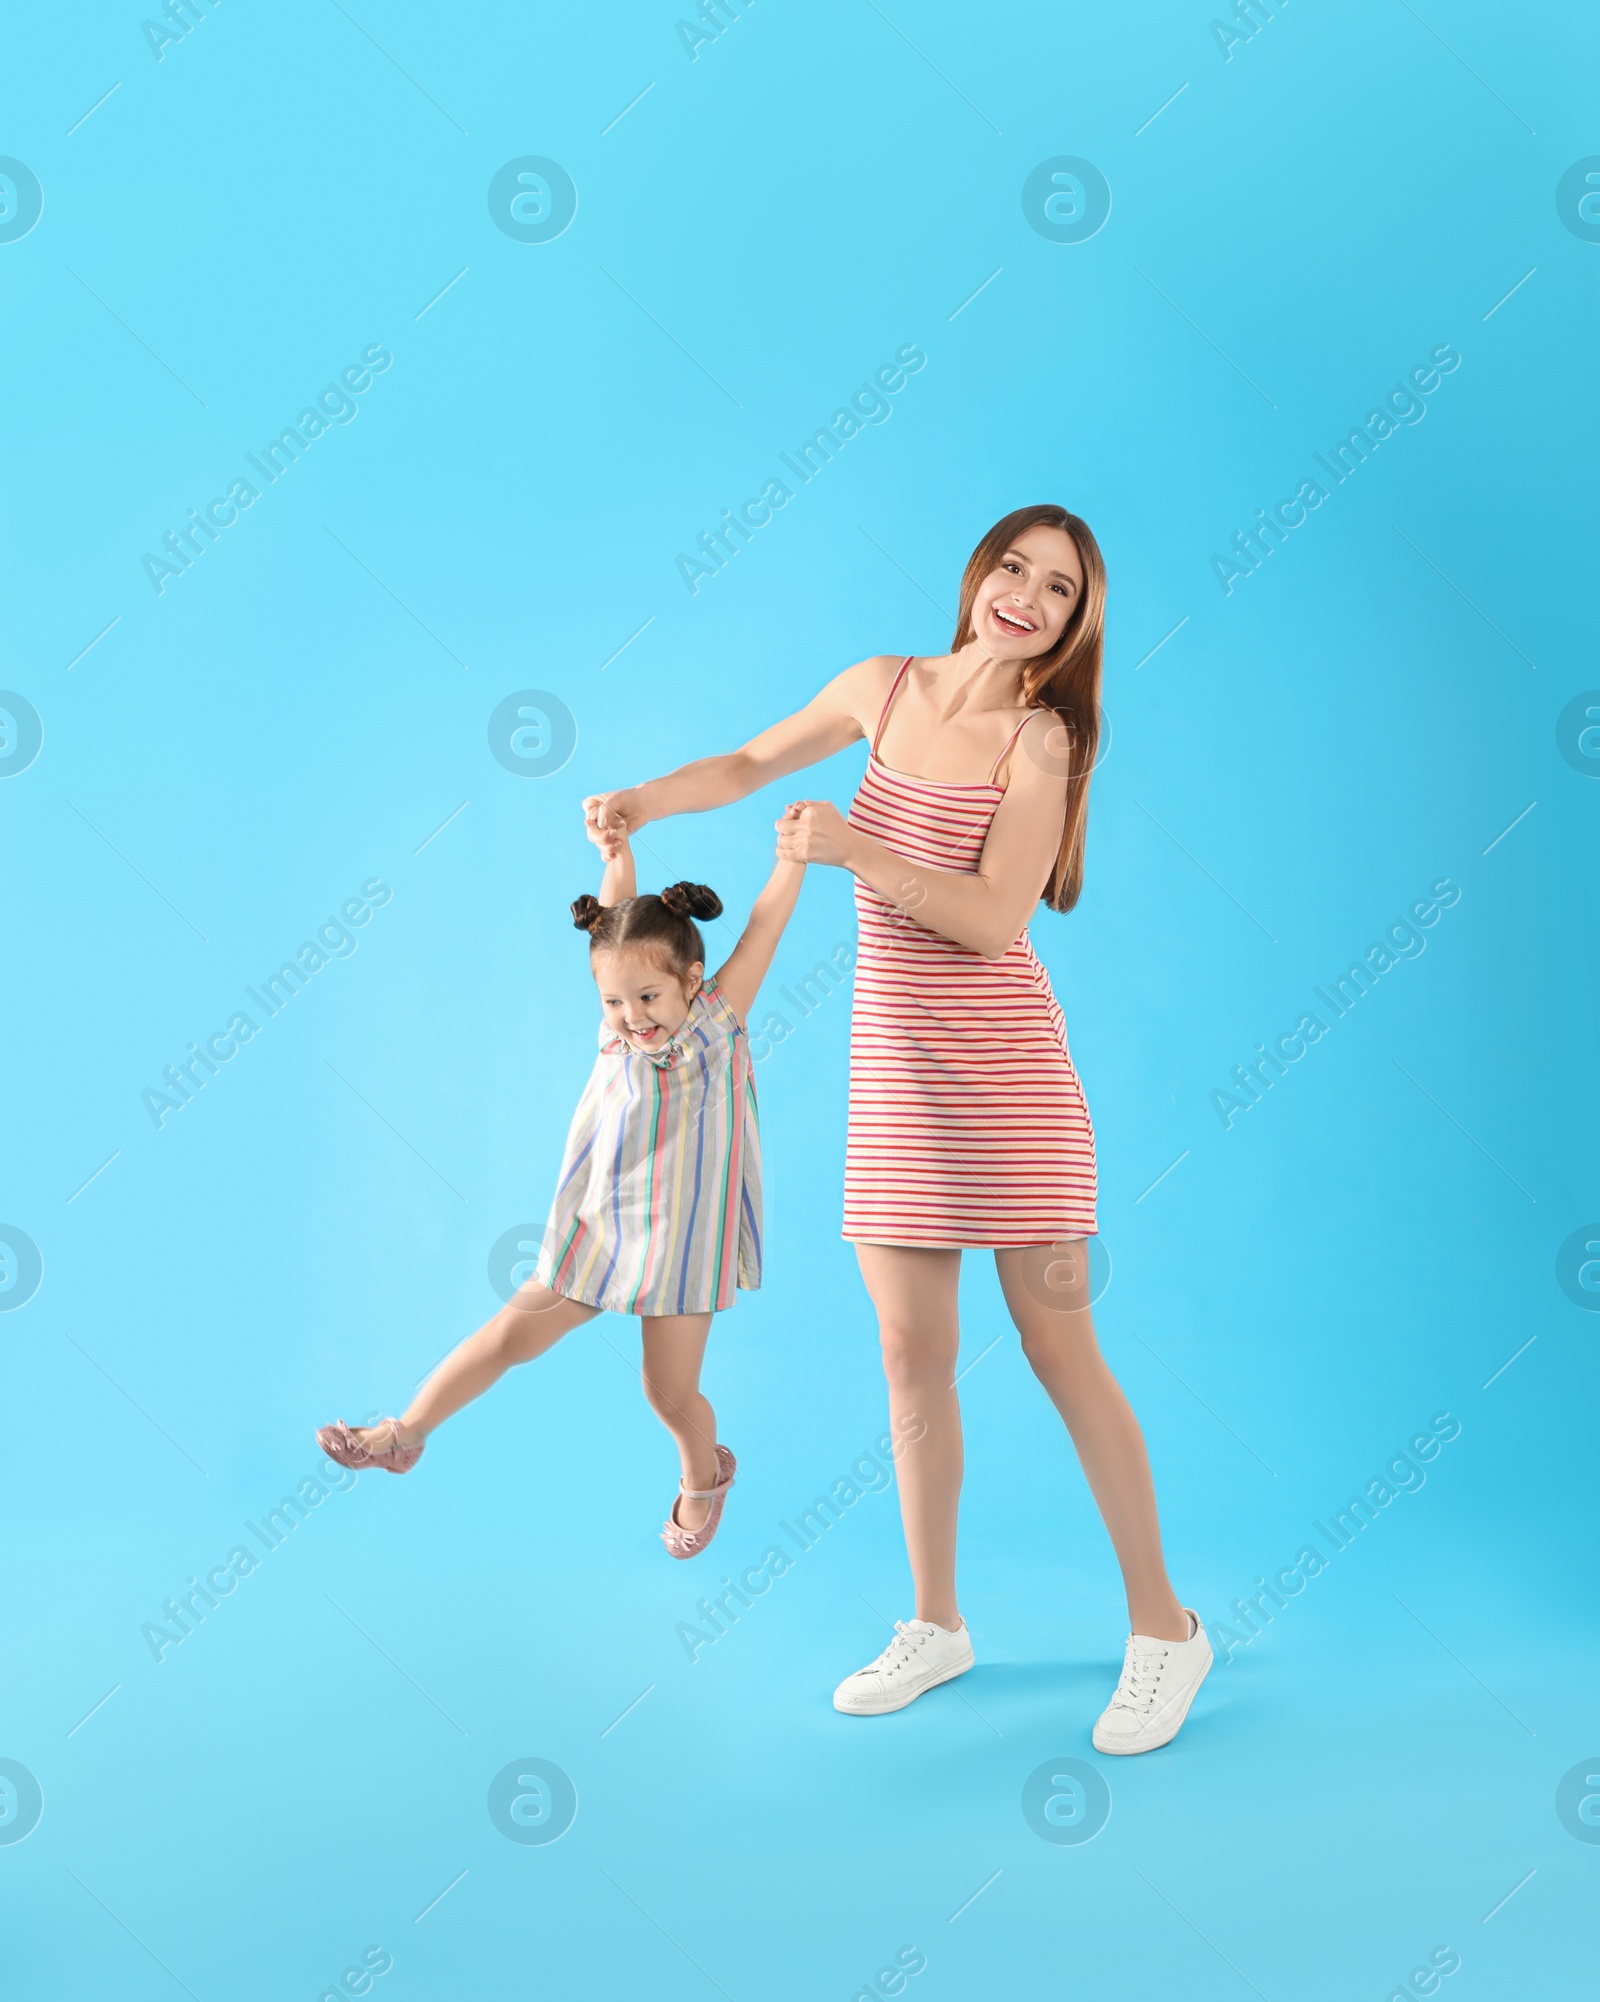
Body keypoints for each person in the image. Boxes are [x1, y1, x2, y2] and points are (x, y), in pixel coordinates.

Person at [584, 504, 1211, 1751]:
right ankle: (936, 1623)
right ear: (978, 574)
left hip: (1011, 1081)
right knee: (909, 1358)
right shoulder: (885, 685)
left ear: (1078, 620)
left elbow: (991, 919)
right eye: (1012, 569)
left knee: (1057, 1351)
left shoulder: (1044, 738)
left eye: (1058, 587)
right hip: (898, 1086)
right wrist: (638, 805)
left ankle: (1167, 1631)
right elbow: (755, 764)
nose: (1025, 596)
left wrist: (858, 846)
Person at [317, 823, 805, 1560]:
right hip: (602, 1227)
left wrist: (791, 859)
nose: (632, 1017)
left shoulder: (720, 1022)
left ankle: (704, 1477)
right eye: (614, 1001)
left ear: (692, 982)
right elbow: (613, 923)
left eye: (647, 996)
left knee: (667, 1394)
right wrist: (615, 854)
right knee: (510, 1333)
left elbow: (764, 927)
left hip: (682, 1243)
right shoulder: (615, 1034)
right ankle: (401, 1436)